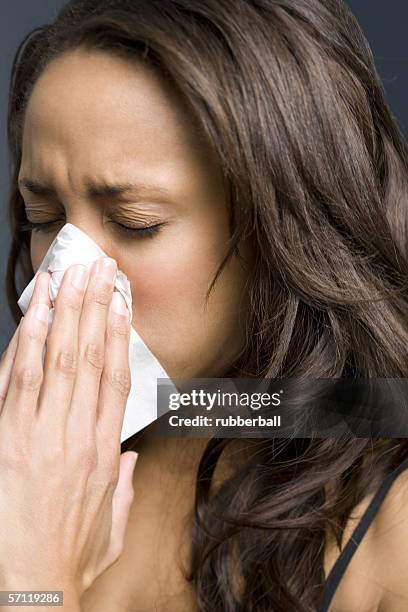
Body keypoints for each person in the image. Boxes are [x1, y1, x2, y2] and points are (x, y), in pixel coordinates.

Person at [2, 0, 408, 610]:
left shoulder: (392, 531)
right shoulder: (22, 472)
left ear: (281, 235)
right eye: (45, 218)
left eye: (134, 223)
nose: (64, 274)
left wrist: (33, 584)